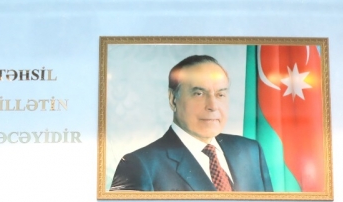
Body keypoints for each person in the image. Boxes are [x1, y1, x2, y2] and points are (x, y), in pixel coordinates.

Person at [110, 55, 272, 192]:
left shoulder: (251, 151)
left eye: (220, 95)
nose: (213, 106)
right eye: (199, 93)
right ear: (173, 100)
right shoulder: (139, 165)